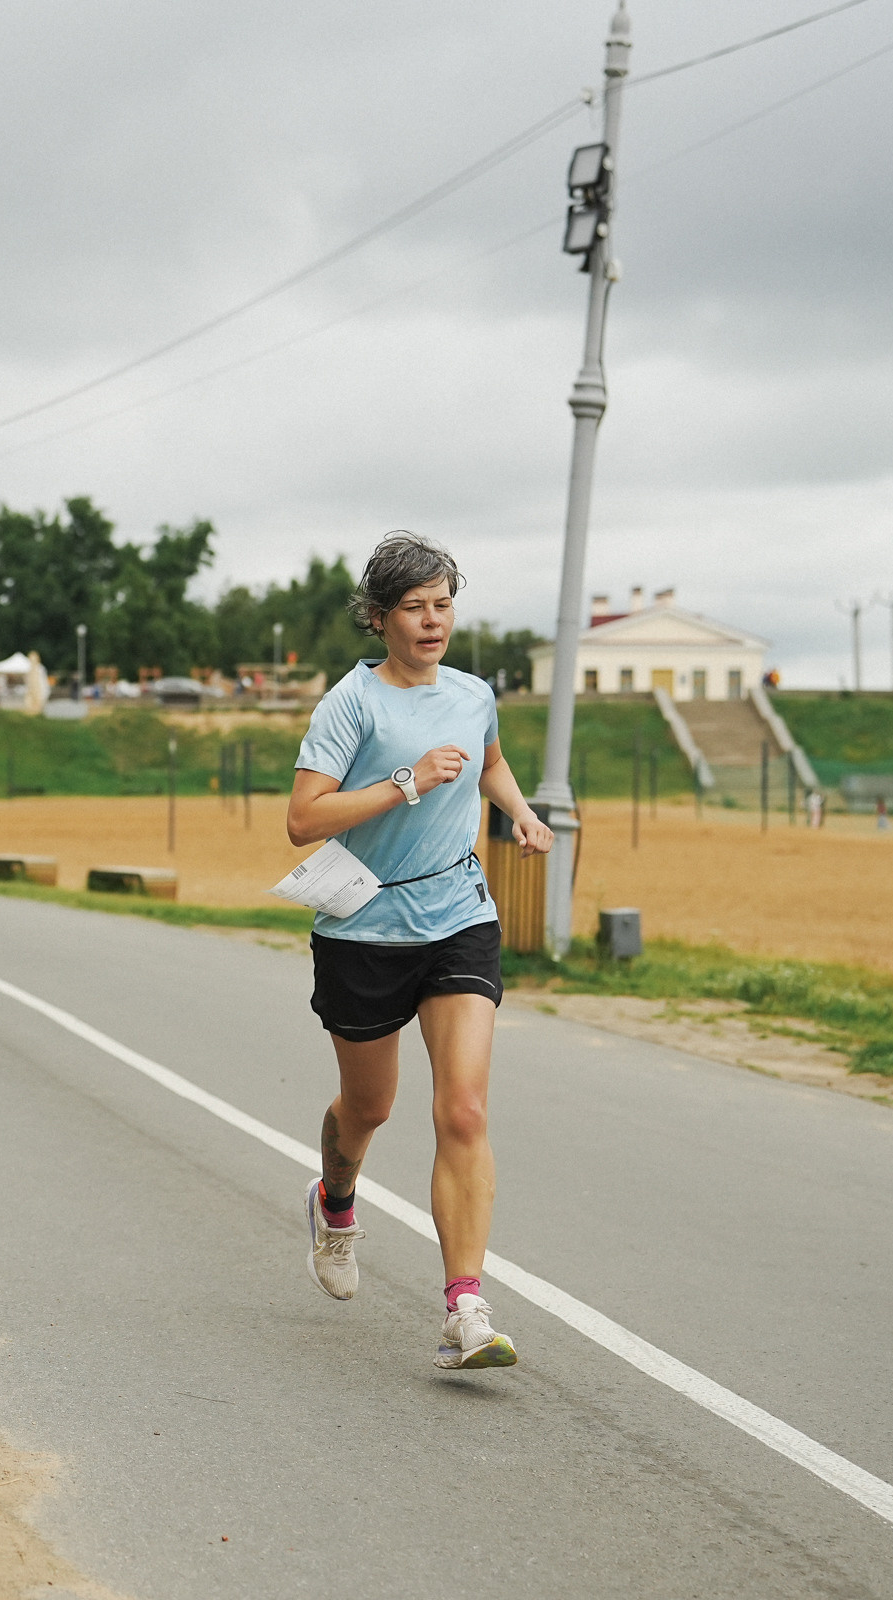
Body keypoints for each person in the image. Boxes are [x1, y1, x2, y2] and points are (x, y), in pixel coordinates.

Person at [285, 532, 554, 1370]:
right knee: (367, 1109)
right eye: (415, 607)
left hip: (458, 917)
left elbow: (490, 762)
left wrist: (520, 811)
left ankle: (464, 1306)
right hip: (363, 929)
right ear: (379, 618)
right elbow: (303, 820)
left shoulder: (473, 694)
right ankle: (334, 1202)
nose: (433, 620)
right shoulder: (351, 705)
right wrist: (404, 784)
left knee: (464, 1110)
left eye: (444, 604)